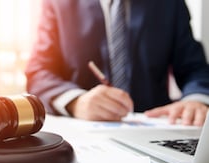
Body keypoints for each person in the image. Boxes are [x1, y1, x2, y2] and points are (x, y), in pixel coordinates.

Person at [25, 0, 209, 126]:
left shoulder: (169, 4)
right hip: (86, 131)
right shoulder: (58, 4)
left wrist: (195, 99)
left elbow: (194, 67)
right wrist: (76, 101)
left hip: (155, 126)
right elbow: (39, 72)